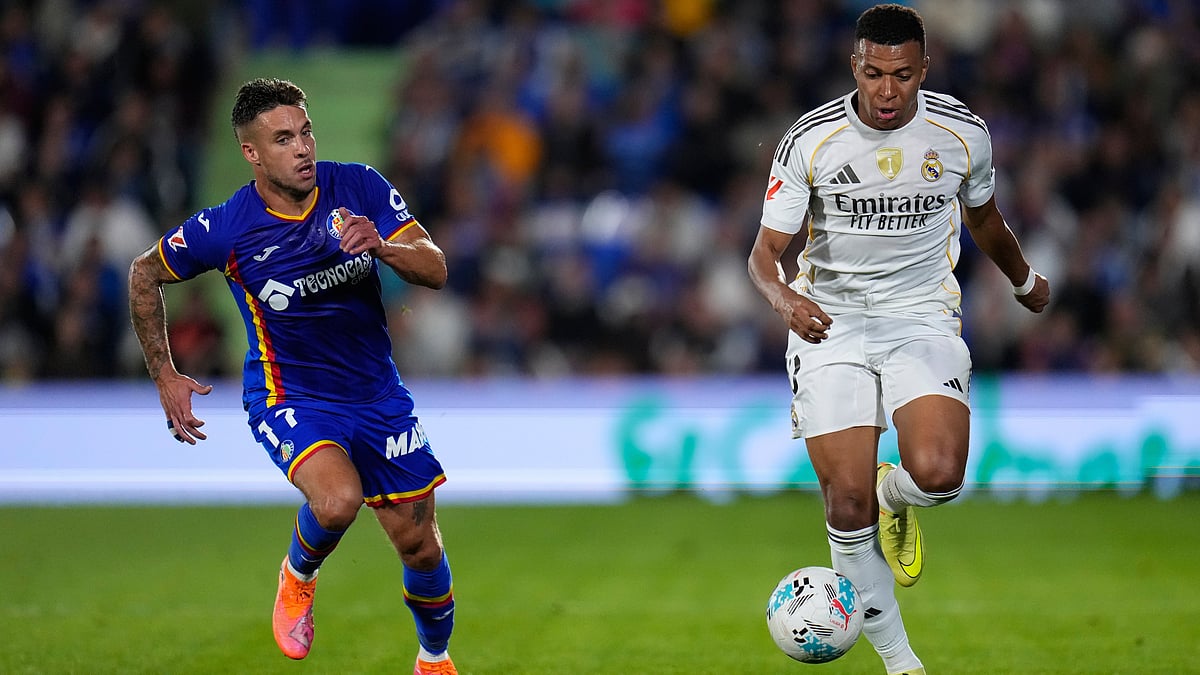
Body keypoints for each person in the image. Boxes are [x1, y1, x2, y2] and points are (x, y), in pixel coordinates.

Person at [748, 5, 1049, 674]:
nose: (888, 91)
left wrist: (1026, 279)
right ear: (855, 66)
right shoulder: (811, 139)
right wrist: (784, 296)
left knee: (939, 476)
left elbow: (986, 218)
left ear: (924, 71)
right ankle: (903, 664)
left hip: (920, 314)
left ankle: (897, 494)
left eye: (903, 75)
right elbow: (764, 252)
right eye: (875, 73)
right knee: (845, 504)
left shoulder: (960, 132)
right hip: (830, 321)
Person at [128, 77, 458, 675]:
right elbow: (143, 274)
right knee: (337, 501)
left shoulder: (357, 185)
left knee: (420, 545)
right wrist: (165, 374)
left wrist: (382, 247)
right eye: (283, 139)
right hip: (292, 394)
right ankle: (297, 575)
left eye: (305, 132)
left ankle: (434, 658)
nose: (303, 148)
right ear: (251, 153)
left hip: (377, 394)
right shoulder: (226, 228)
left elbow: (434, 268)